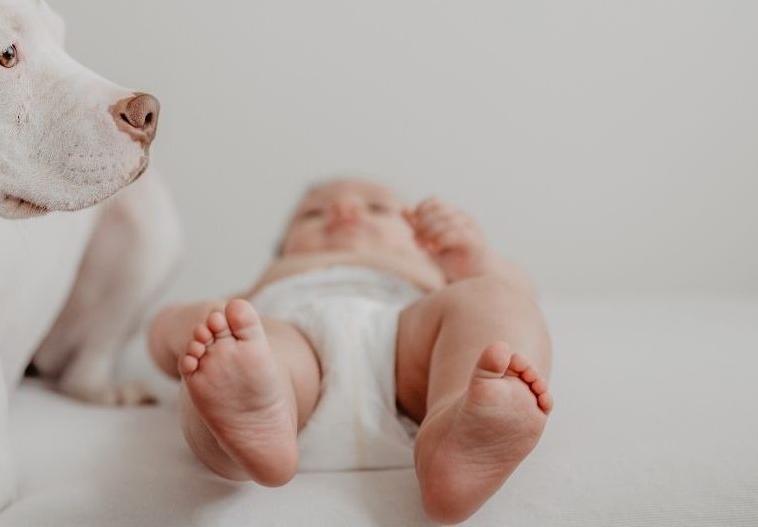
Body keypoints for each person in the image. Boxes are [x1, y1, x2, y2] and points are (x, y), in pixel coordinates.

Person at [147, 178, 553, 523]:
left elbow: (521, 294)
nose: (344, 211)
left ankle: (455, 426)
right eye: (312, 214)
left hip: (408, 346)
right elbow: (168, 335)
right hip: (290, 353)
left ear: (423, 244)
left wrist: (476, 260)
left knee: (493, 297)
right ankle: (243, 426)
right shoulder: (267, 287)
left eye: (378, 208)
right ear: (285, 248)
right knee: (226, 337)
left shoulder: (436, 273)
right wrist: (185, 322)